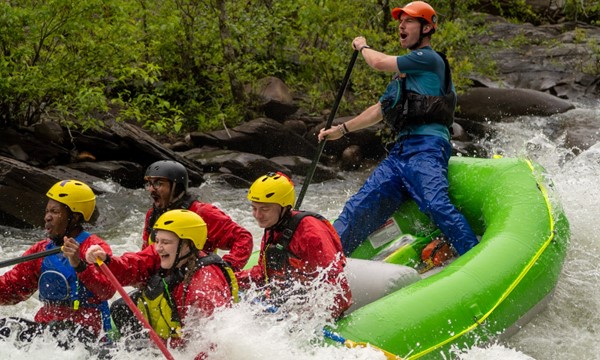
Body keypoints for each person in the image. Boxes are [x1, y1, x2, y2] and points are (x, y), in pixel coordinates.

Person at [317, 1, 478, 262]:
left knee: (436, 204)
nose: (401, 25)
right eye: (400, 21)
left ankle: (473, 256)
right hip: (399, 155)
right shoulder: (402, 78)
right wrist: (341, 129)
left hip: (428, 149)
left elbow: (379, 62)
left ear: (426, 28)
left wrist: (362, 46)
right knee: (357, 208)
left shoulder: (429, 59)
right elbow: (379, 110)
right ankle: (324, 266)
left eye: (409, 21)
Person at [85, 209, 237, 353]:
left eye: (165, 242)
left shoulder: (204, 289)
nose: (158, 248)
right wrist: (107, 260)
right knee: (122, 307)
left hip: (182, 349)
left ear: (188, 244)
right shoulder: (170, 254)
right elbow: (134, 266)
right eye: (157, 240)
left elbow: (211, 345)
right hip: (165, 340)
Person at [0, 180, 115, 347]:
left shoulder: (95, 248)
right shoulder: (41, 250)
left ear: (74, 217)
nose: (47, 217)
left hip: (86, 333)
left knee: (59, 330)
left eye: (55, 211)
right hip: (47, 329)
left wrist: (79, 265)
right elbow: (12, 287)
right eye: (47, 211)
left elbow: (107, 290)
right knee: (5, 328)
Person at [236, 172, 352, 320]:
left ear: (284, 207)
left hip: (314, 307)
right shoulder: (272, 229)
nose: (257, 215)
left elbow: (335, 285)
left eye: (264, 209)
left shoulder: (311, 233)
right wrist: (232, 279)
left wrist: (312, 318)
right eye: (254, 208)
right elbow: (264, 273)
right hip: (287, 301)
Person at [142, 160, 252, 271]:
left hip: (198, 277)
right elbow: (146, 253)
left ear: (176, 187)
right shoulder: (152, 215)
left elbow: (243, 238)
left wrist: (225, 268)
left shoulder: (203, 212)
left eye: (158, 184)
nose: (151, 189)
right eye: (149, 184)